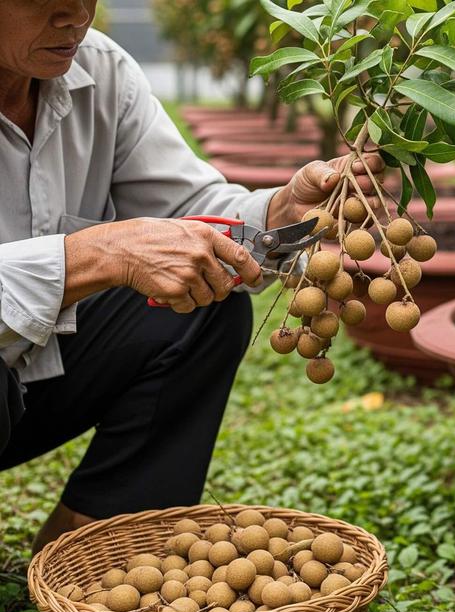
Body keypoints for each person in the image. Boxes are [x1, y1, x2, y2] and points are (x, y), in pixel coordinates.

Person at [0, 0, 381, 553]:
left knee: (204, 306)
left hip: (33, 381)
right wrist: (97, 253)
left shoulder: (101, 72)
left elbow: (188, 204)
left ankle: (92, 542)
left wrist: (280, 211)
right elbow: (102, 255)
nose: (76, 14)